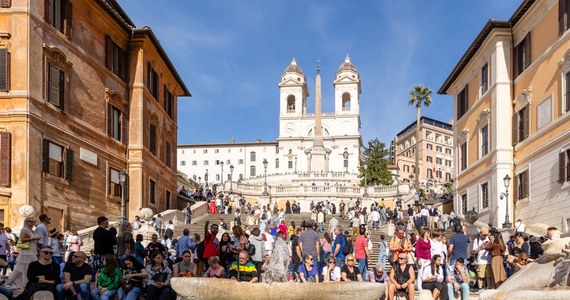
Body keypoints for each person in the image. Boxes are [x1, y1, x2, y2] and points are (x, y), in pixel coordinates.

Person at [5, 217, 40, 288]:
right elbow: (22, 239)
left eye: (33, 221)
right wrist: (33, 238)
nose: (32, 223)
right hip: (27, 252)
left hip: (32, 250)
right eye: (30, 221)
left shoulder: (32, 230)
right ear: (27, 222)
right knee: (23, 268)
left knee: (26, 268)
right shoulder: (25, 229)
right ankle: (16, 282)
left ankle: (25, 283)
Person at [471, 227, 492, 291]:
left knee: (489, 276)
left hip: (489, 260)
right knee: (480, 276)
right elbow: (474, 251)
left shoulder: (490, 239)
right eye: (484, 235)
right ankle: (480, 289)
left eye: (486, 234)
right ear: (480, 233)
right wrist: (480, 246)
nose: (485, 236)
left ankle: (489, 288)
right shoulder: (476, 240)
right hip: (481, 261)